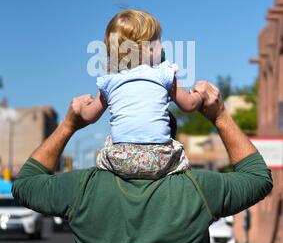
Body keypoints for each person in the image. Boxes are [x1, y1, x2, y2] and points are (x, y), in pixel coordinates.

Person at [12, 81, 273, 243]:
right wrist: (219, 116)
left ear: (115, 137)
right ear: (170, 139)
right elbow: (258, 178)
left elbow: (26, 184)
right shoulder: (197, 190)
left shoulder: (83, 188)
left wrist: (70, 124)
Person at [74, 9, 204, 179]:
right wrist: (200, 94)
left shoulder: (110, 81)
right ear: (148, 49)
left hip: (120, 160)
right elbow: (189, 105)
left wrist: (82, 107)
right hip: (161, 159)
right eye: (158, 41)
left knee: (108, 144)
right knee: (178, 150)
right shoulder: (165, 73)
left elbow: (88, 116)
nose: (163, 46)